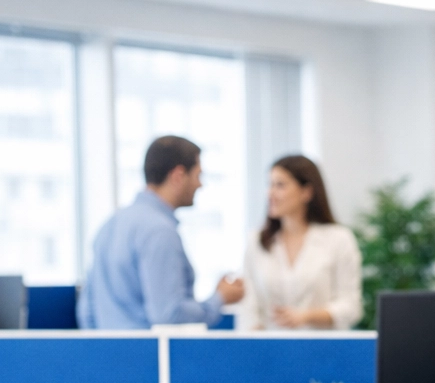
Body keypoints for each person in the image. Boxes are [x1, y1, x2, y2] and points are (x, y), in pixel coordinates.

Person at [78, 136, 243, 329]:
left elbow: (86, 311)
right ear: (178, 176)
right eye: (197, 175)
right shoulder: (159, 232)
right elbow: (167, 314)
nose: (200, 185)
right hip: (149, 356)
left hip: (106, 354)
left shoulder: (110, 224)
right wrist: (218, 300)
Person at [238, 154, 363, 330]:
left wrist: (307, 316)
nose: (270, 193)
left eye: (280, 185)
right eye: (270, 185)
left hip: (323, 349)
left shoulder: (339, 239)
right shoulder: (257, 241)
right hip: (271, 350)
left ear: (306, 192)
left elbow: (351, 307)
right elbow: (249, 308)